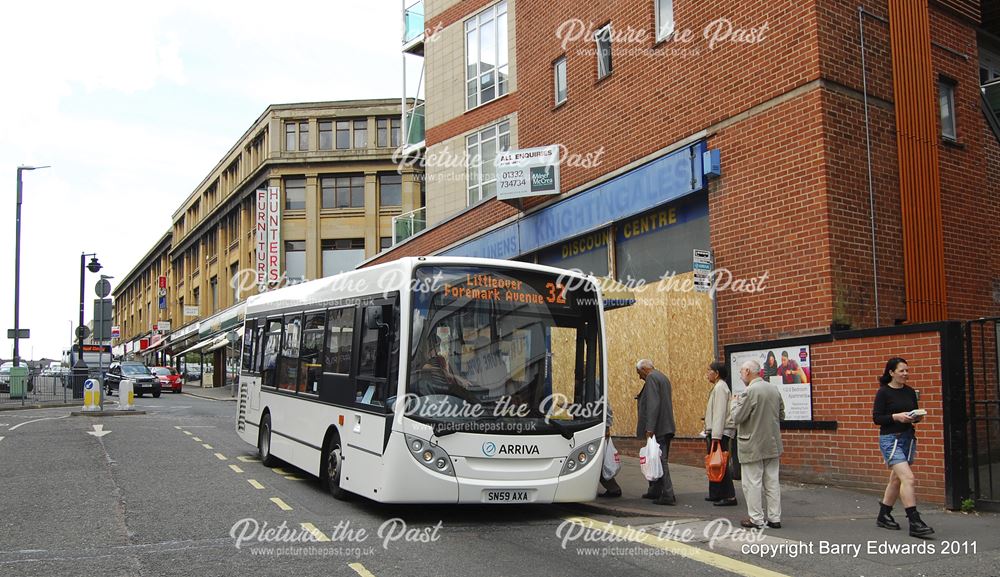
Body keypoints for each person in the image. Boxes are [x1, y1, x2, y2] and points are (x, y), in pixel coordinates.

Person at [872, 357, 933, 537]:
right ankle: (914, 521)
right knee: (909, 478)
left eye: (907, 370)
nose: (905, 374)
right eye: (901, 371)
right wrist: (896, 417)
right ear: (891, 373)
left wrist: (916, 417)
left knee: (896, 480)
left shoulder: (909, 392)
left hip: (907, 438)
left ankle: (883, 515)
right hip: (890, 440)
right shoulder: (883, 393)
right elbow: (877, 418)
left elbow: (913, 412)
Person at [732, 359, 784, 529]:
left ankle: (756, 519)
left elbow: (737, 417)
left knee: (752, 483)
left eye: (741, 372)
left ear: (747, 371)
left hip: (752, 444)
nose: (741, 376)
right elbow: (781, 414)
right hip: (772, 443)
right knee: (772, 482)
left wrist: (734, 403)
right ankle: (775, 518)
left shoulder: (749, 392)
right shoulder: (773, 389)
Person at [635, 359, 676, 505]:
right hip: (666, 425)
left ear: (645, 369)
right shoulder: (662, 377)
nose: (640, 377)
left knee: (659, 459)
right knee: (656, 458)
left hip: (658, 427)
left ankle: (668, 494)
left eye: (639, 373)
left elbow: (653, 404)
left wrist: (650, 428)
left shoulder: (652, 378)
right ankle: (655, 491)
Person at [704, 361, 738, 506]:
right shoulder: (719, 387)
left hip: (720, 432)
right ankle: (717, 493)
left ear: (717, 374)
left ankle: (729, 496)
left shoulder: (720, 388)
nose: (707, 374)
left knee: (720, 463)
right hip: (718, 431)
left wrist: (716, 436)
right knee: (715, 462)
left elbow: (719, 412)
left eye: (709, 371)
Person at [598, 404, 622, 497]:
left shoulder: (598, 391)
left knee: (601, 462)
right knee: (600, 462)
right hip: (597, 427)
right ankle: (613, 488)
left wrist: (607, 426)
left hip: (599, 429)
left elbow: (607, 408)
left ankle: (614, 489)